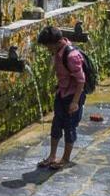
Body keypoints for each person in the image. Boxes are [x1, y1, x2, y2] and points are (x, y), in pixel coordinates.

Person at [36, 25, 86, 168]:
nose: (47, 49)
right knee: (57, 124)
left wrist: (75, 102)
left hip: (73, 96)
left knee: (69, 127)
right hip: (62, 93)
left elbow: (81, 80)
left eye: (48, 46)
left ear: (57, 43)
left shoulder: (71, 56)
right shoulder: (58, 51)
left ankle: (65, 158)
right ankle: (52, 156)